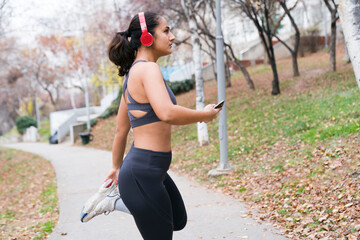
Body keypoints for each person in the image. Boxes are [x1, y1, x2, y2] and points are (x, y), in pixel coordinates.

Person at [80, 11, 222, 240]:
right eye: (166, 31)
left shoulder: (133, 75)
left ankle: (116, 201)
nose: (173, 36)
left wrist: (116, 168)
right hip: (142, 172)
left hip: (151, 170)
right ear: (147, 37)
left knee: (178, 220)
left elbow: (121, 130)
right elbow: (166, 113)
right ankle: (119, 199)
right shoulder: (147, 69)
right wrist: (203, 115)